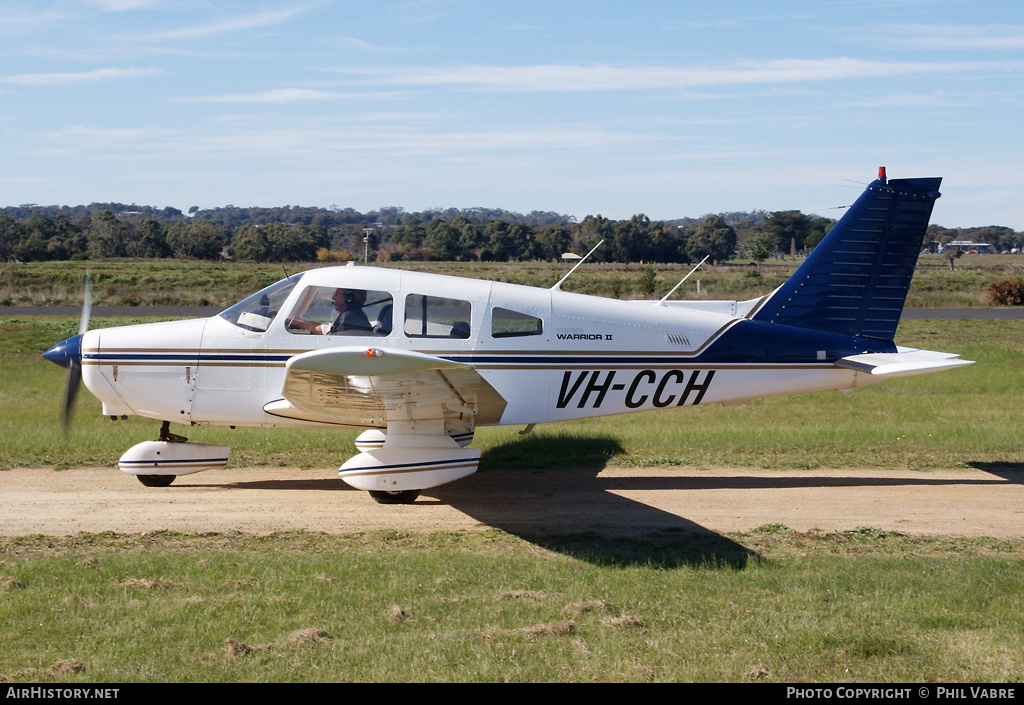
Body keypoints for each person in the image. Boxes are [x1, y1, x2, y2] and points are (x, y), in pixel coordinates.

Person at [288, 288, 372, 335]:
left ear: (349, 298)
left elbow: (334, 341)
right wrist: (289, 321)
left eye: (337, 294)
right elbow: (320, 329)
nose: (333, 298)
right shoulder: (350, 315)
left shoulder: (350, 317)